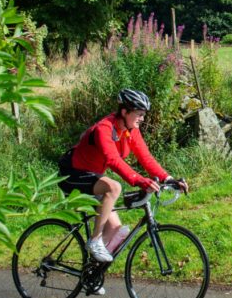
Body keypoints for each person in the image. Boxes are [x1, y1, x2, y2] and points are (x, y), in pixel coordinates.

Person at [58, 89, 187, 273]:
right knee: (114, 187)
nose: (142, 118)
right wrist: (140, 181)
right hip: (73, 175)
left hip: (93, 178)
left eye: (143, 115)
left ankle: (91, 273)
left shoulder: (130, 131)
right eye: (139, 114)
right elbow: (113, 160)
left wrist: (170, 179)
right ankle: (94, 242)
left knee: (117, 230)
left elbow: (146, 158)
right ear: (125, 112)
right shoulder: (105, 128)